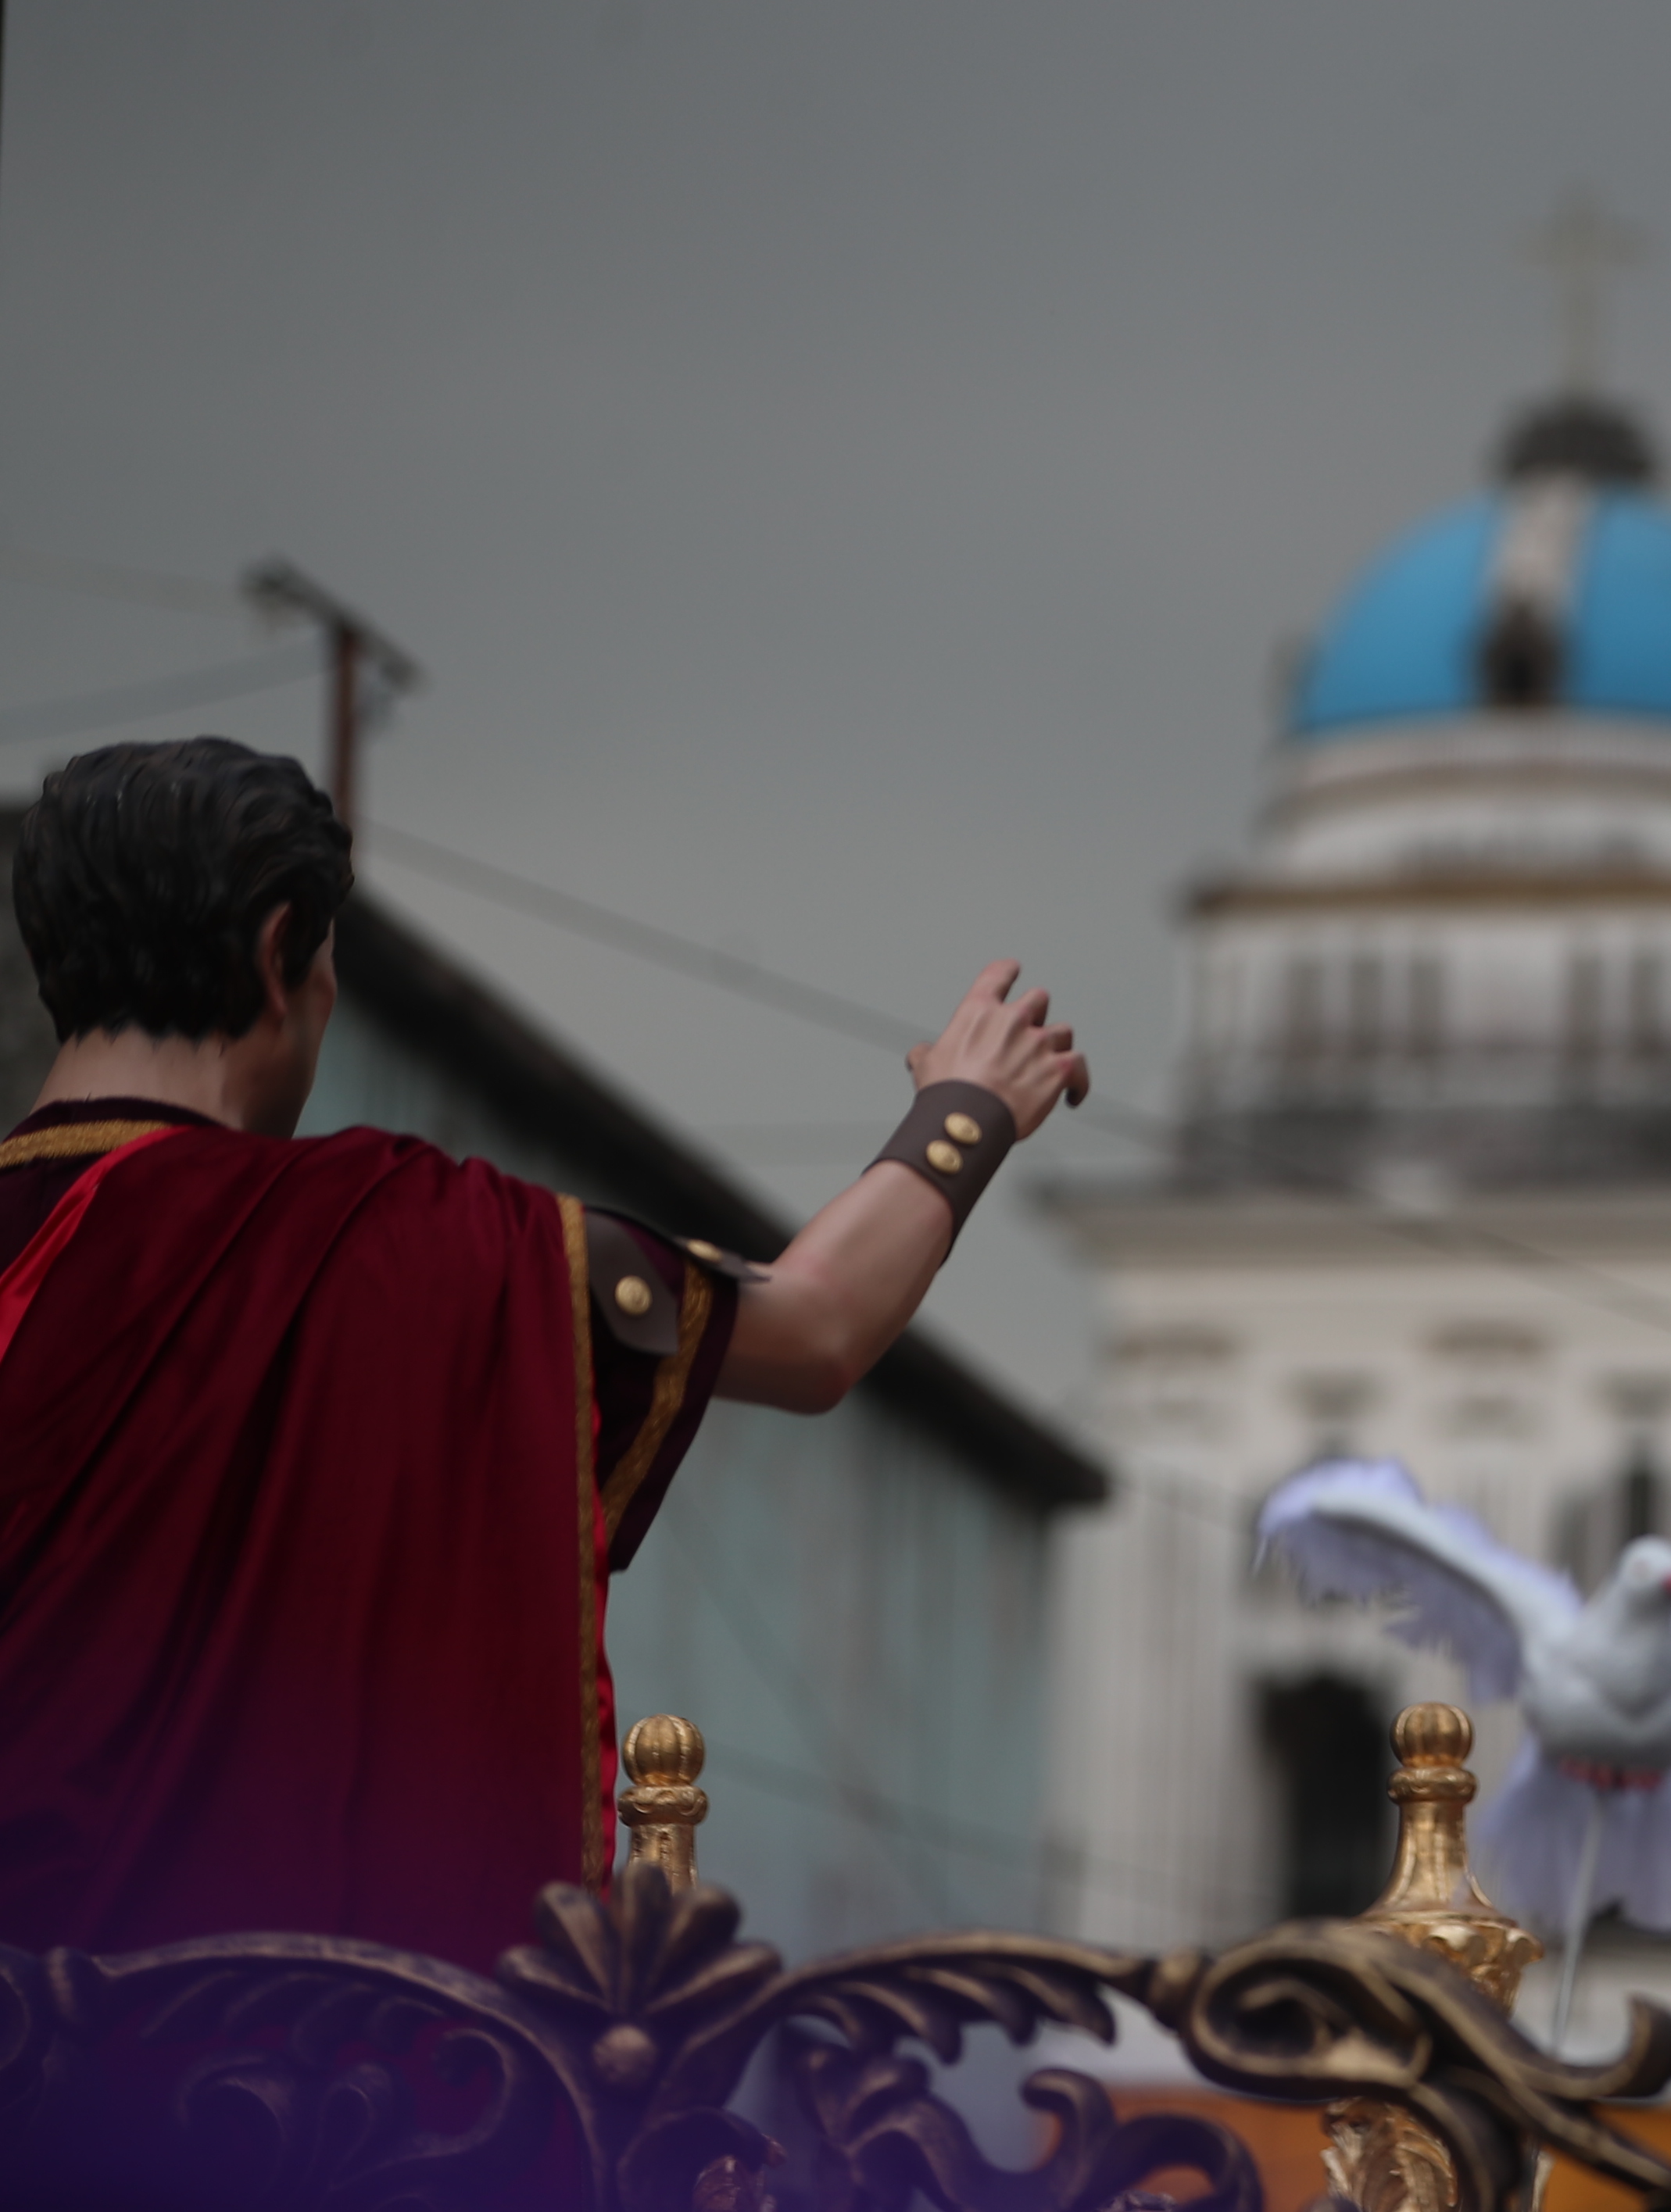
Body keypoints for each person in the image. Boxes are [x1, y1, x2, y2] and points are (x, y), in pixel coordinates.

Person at [0, 737, 1088, 1967]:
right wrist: (968, 1108)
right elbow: (816, 1321)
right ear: (279, 951)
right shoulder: (429, 1245)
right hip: (296, 2100)